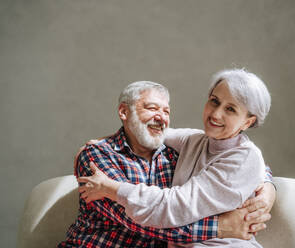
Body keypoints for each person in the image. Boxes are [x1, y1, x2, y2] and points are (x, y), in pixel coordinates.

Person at [75, 69, 275, 247]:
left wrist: (109, 188)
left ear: (248, 122)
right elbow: (147, 130)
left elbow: (172, 208)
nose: (216, 114)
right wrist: (103, 142)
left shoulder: (243, 158)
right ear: (123, 111)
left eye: (230, 109)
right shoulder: (194, 141)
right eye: (214, 101)